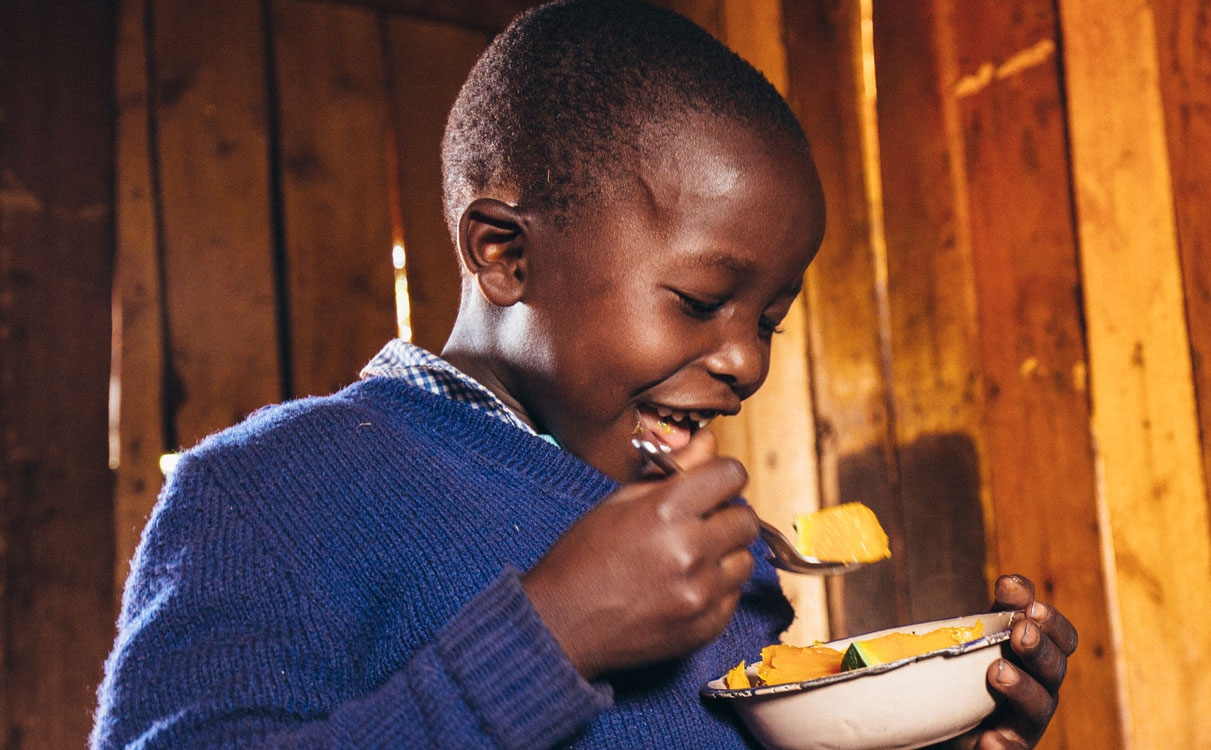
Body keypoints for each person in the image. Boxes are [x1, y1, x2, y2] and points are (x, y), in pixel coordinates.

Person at [91, 2, 1076, 747]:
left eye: (769, 318)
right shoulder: (273, 491)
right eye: (698, 301)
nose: (746, 360)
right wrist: (544, 642)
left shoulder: (692, 547)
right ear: (505, 256)